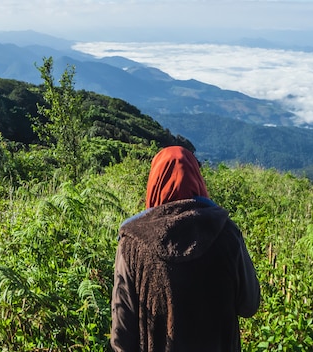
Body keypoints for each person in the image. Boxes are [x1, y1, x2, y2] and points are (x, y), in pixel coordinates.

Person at [111, 146, 260, 352]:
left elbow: (122, 335)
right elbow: (249, 305)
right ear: (197, 180)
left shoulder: (132, 243)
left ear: (155, 183)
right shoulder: (226, 232)